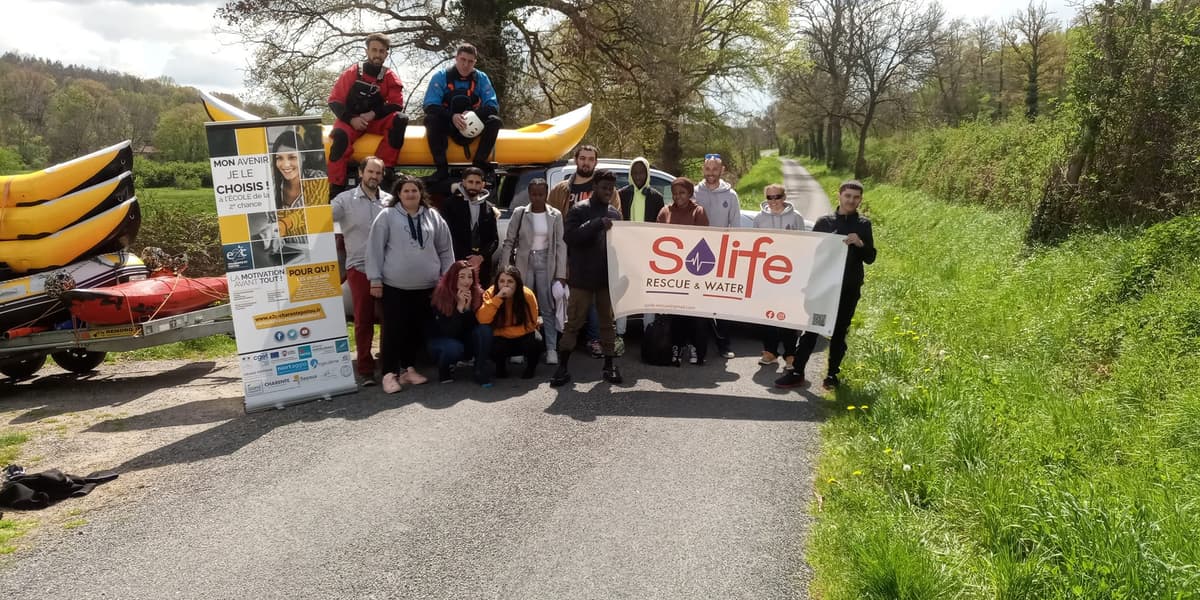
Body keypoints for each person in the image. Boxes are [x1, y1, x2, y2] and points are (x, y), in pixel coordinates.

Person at [776, 180, 877, 390]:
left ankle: (832, 376)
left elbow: (870, 258)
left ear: (860, 199)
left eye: (856, 197)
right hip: (822, 289)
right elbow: (811, 253)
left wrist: (860, 243)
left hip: (848, 289)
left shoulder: (863, 225)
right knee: (813, 329)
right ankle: (796, 372)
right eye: (848, 195)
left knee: (839, 332)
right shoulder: (824, 222)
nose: (851, 200)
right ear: (839, 195)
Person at [366, 176, 455, 393]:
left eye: (414, 190)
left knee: (415, 331)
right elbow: (375, 248)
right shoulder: (387, 216)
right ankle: (389, 373)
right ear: (398, 194)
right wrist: (375, 279)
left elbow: (445, 249)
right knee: (394, 330)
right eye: (405, 191)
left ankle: (408, 370)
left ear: (420, 193)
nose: (410, 194)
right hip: (395, 286)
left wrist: (447, 279)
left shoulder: (432, 216)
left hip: (426, 286)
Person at [551, 169, 624, 387]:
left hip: (604, 279)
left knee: (607, 325)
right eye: (604, 188)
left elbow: (619, 248)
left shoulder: (615, 214)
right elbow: (569, 237)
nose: (608, 192)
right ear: (594, 187)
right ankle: (562, 368)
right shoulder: (579, 210)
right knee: (573, 323)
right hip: (582, 279)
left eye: (611, 189)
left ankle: (609, 366)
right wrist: (595, 224)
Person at [331, 156, 390, 385]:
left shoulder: (390, 201)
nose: (374, 176)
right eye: (370, 172)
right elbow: (322, 218)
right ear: (361, 173)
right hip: (360, 268)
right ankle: (365, 369)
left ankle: (388, 364)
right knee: (363, 319)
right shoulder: (344, 200)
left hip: (388, 269)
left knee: (389, 319)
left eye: (378, 173)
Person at [326, 33, 409, 191]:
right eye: (374, 50)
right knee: (340, 137)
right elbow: (334, 100)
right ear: (367, 51)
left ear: (386, 54)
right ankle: (335, 186)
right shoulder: (352, 72)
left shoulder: (390, 76)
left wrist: (372, 115)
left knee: (400, 119)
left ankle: (385, 171)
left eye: (381, 51)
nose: (377, 54)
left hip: (375, 121)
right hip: (350, 121)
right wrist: (352, 120)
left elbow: (396, 104)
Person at [500, 178, 566, 365]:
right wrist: (504, 271)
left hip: (547, 262)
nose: (537, 198)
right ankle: (518, 348)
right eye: (533, 194)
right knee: (521, 304)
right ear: (529, 194)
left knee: (547, 306)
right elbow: (509, 241)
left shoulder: (555, 215)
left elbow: (561, 245)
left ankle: (551, 348)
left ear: (546, 194)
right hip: (524, 262)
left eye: (541, 194)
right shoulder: (521, 213)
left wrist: (561, 274)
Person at [423, 43, 501, 182]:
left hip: (474, 123)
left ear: (475, 62)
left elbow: (492, 106)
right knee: (431, 119)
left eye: (470, 61)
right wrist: (452, 116)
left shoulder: (481, 78)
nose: (466, 65)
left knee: (495, 121)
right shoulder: (441, 76)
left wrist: (474, 114)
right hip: (448, 124)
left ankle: (479, 163)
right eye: (463, 60)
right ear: (456, 58)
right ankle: (441, 168)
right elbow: (430, 105)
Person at [656, 176, 710, 366]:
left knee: (694, 315)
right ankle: (676, 346)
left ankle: (696, 347)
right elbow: (657, 239)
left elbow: (705, 240)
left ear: (690, 193)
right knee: (675, 313)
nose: (678, 197)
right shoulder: (665, 211)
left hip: (694, 270)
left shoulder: (698, 212)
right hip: (671, 272)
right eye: (675, 193)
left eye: (682, 193)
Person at [693, 153, 742, 359]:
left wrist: (732, 253)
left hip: (721, 255)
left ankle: (724, 345)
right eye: (707, 169)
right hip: (697, 256)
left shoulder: (731, 196)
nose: (710, 173)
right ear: (703, 170)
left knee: (721, 302)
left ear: (722, 171)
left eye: (715, 169)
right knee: (697, 303)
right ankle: (698, 345)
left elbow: (736, 227)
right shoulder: (694, 192)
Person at [753, 183, 806, 369]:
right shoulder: (759, 219)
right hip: (766, 275)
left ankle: (790, 354)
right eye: (770, 197)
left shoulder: (796, 217)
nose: (773, 201)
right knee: (767, 315)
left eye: (777, 197)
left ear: (784, 197)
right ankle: (770, 352)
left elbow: (803, 244)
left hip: (789, 275)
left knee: (788, 315)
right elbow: (755, 245)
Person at [615, 156, 664, 347]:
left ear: (647, 173)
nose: (638, 176)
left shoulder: (656, 197)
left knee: (648, 292)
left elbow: (661, 226)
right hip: (626, 251)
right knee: (624, 292)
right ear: (630, 174)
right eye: (634, 172)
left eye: (641, 172)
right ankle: (620, 333)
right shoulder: (622, 194)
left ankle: (649, 332)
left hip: (649, 253)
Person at [427, 260, 494, 386]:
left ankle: (479, 369)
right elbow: (449, 332)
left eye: (470, 277)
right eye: (461, 277)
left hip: (463, 340)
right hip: (442, 340)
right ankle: (444, 368)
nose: (466, 281)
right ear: (453, 278)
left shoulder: (477, 294)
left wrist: (467, 310)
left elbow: (474, 328)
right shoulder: (441, 294)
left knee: (484, 330)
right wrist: (459, 308)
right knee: (454, 347)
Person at [477, 266, 543, 378]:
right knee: (496, 345)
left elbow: (531, 324)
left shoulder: (527, 294)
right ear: (497, 282)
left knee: (536, 341)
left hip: (522, 334)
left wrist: (504, 331)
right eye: (502, 281)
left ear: (517, 283)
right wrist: (498, 298)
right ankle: (500, 369)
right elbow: (482, 319)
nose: (505, 285)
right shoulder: (490, 293)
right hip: (501, 339)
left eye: (510, 281)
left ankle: (530, 369)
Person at [439, 166, 499, 287]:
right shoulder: (449, 205)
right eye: (470, 182)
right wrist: (466, 260)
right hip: (457, 263)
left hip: (482, 266)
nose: (473, 185)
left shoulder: (489, 208)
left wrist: (480, 257)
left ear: (483, 185)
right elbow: (447, 235)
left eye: (477, 183)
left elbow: (494, 239)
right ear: (463, 182)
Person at [272, 129, 325, 209]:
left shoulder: (317, 177)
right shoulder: (271, 187)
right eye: (279, 158)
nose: (286, 165)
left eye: (292, 157)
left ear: (303, 156)